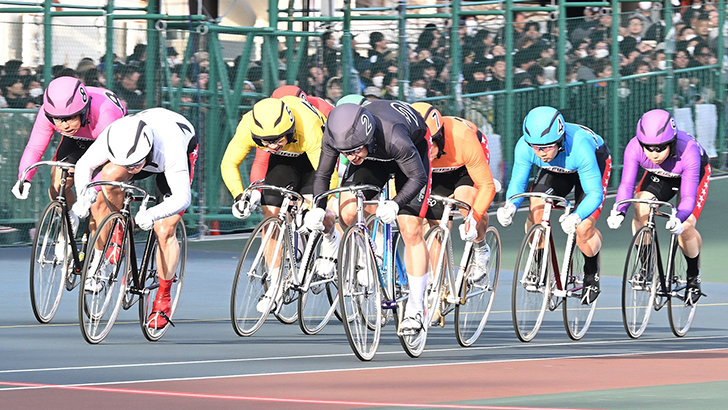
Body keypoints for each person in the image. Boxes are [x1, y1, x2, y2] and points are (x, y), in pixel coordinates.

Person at [305, 101, 432, 333]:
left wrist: (396, 204)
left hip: (410, 154)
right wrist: (319, 208)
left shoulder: (394, 136)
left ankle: (415, 308)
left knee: (410, 227)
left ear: (367, 136)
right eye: (346, 153)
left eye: (355, 150)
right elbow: (323, 174)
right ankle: (366, 256)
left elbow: (418, 178)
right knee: (347, 210)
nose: (351, 157)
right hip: (373, 159)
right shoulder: (337, 137)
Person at [72, 108, 198, 329]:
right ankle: (118, 228)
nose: (132, 170)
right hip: (138, 148)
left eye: (135, 164)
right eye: (128, 166)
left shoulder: (170, 149)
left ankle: (163, 296)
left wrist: (153, 213)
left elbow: (182, 198)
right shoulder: (113, 135)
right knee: (108, 179)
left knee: (164, 229)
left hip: (176, 149)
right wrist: (84, 194)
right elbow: (84, 165)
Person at [220, 97, 337, 313]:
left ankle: (331, 240)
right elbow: (229, 163)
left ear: (289, 129)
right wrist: (239, 196)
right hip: (284, 162)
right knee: (270, 217)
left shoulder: (307, 126)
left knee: (319, 212)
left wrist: (316, 208)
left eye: (277, 139)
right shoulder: (248, 125)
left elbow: (328, 176)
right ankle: (275, 285)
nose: (271, 145)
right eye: (265, 141)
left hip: (315, 159)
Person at [497, 106, 611, 305]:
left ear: (559, 141)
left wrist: (577, 216)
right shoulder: (525, 146)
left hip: (590, 163)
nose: (541, 153)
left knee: (584, 228)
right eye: (536, 147)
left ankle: (591, 272)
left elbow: (595, 194)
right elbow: (518, 183)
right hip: (557, 170)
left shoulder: (580, 147)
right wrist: (511, 206)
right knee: (536, 210)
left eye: (547, 147)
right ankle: (540, 264)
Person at [607, 109, 710, 304]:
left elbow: (688, 196)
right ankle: (646, 267)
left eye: (660, 148)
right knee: (641, 206)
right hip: (660, 176)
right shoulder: (634, 147)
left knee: (686, 227)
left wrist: (679, 219)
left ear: (671, 143)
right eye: (648, 148)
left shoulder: (688, 152)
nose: (654, 155)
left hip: (690, 175)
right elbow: (627, 185)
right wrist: (619, 211)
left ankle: (693, 276)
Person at [411, 102, 497, 280]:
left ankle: (480, 247)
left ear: (440, 137)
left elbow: (487, 186)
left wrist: (473, 219)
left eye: (429, 146)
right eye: (420, 147)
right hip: (435, 171)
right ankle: (438, 283)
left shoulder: (463, 137)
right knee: (436, 222)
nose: (426, 152)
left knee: (465, 200)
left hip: (463, 165)